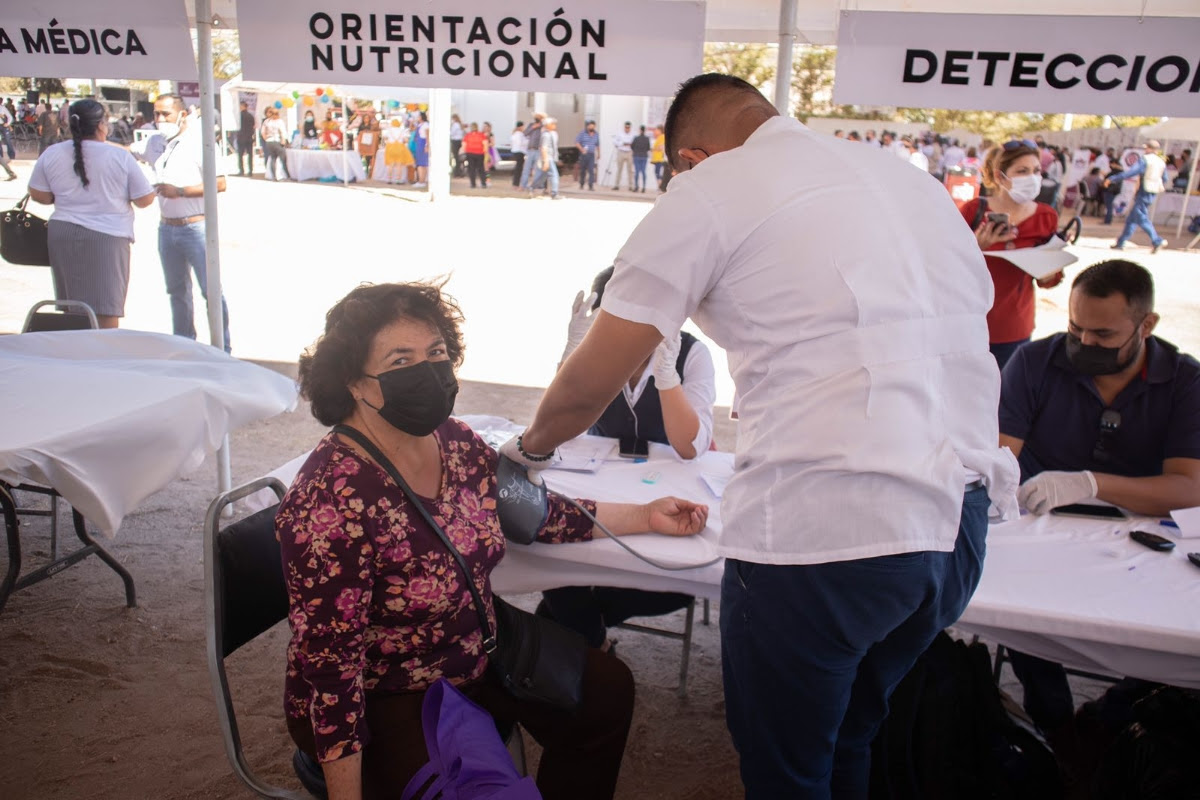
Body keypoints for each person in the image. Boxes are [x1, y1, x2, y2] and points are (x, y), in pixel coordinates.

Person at [500, 73, 1017, 799]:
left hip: (830, 530)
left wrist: (527, 453)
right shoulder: (908, 180)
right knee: (851, 736)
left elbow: (591, 377)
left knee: (788, 771)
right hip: (957, 527)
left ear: (689, 159)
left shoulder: (712, 189)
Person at [279, 281, 709, 800]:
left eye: (436, 353)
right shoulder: (329, 502)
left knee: (605, 692)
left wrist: (644, 515)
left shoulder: (452, 441)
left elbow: (534, 514)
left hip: (476, 643)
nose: (428, 371)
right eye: (400, 360)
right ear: (353, 381)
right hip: (388, 689)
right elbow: (332, 669)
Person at [997, 259, 1200, 738]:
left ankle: (1112, 714)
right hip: (1038, 530)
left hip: (1142, 540)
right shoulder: (1033, 362)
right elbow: (1000, 460)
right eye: (1075, 327)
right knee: (1022, 620)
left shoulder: (1186, 382)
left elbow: (1189, 490)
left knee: (1165, 640)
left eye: (1104, 334)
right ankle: (1055, 727)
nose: (1085, 343)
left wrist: (1089, 483)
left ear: (1146, 325)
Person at [539, 267, 717, 649]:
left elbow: (689, 447)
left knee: (673, 576)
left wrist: (667, 378)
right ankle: (586, 631)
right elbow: (556, 429)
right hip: (607, 480)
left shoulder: (691, 354)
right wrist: (572, 356)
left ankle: (581, 627)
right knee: (557, 545)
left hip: (673, 483)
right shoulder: (596, 351)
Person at [26, 99, 155, 329]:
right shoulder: (120, 156)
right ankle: (102, 359)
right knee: (106, 309)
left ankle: (76, 357)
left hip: (62, 233)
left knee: (71, 306)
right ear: (102, 125)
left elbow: (40, 195)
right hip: (107, 236)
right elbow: (144, 199)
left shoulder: (52, 153)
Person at [131, 93, 232, 352]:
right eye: (156, 114)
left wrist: (182, 190)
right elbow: (130, 152)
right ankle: (185, 344)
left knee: (210, 291)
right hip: (167, 228)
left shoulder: (200, 142)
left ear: (182, 114)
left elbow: (220, 183)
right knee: (176, 290)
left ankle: (222, 349)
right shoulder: (155, 142)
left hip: (195, 227)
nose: (160, 119)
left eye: (166, 114)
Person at [959, 140, 1064, 368]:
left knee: (1007, 395)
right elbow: (945, 265)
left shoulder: (1046, 217)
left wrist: (1048, 273)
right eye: (1022, 171)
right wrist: (975, 247)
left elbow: (1049, 278)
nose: (1033, 178)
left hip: (1015, 326)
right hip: (970, 322)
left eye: (1037, 171)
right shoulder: (973, 211)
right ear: (1000, 177)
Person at [1106, 140, 1168, 253]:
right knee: (1132, 219)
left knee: (1141, 216)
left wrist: (1113, 178)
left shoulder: (1146, 160)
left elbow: (1132, 172)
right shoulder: (1161, 162)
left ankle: (1156, 240)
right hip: (1153, 190)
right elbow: (1165, 179)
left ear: (1149, 149)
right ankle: (1121, 242)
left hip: (1144, 190)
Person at [529, 116, 560, 200]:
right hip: (547, 158)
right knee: (554, 175)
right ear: (548, 125)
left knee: (541, 176)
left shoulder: (552, 134)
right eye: (552, 123)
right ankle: (554, 193)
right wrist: (546, 160)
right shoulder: (546, 135)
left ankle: (532, 188)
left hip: (550, 158)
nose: (554, 125)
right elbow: (544, 148)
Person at [259, 107, 292, 182]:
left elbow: (262, 132)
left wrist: (266, 139)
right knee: (283, 159)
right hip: (277, 141)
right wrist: (283, 140)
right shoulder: (279, 121)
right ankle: (287, 175)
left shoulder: (267, 121)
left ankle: (274, 176)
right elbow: (283, 132)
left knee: (273, 158)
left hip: (269, 142)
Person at [380, 118, 410, 184]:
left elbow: (384, 138)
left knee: (390, 165)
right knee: (399, 165)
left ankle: (389, 179)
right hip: (400, 148)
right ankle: (398, 180)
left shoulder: (389, 130)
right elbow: (406, 140)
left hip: (390, 148)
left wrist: (388, 141)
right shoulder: (402, 130)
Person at [518, 113, 544, 190]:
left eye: (538, 117)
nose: (536, 118)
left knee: (537, 169)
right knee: (526, 168)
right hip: (530, 150)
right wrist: (533, 127)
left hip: (538, 150)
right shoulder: (531, 125)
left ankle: (535, 185)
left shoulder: (543, 127)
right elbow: (525, 133)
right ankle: (523, 185)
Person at [461, 122, 488, 189]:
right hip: (480, 153)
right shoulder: (481, 135)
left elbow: (464, 145)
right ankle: (483, 183)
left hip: (470, 153)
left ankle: (473, 184)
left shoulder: (468, 135)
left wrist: (465, 151)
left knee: (471, 169)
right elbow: (485, 144)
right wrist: (485, 152)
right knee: (481, 169)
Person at [575, 119, 599, 191]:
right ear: (587, 126)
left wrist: (599, 153)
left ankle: (591, 186)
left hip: (591, 154)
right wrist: (582, 149)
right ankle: (581, 184)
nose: (591, 127)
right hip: (584, 155)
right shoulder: (582, 133)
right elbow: (577, 142)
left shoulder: (596, 134)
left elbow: (597, 144)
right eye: (590, 126)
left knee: (591, 170)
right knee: (583, 170)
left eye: (593, 126)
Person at [611, 121, 634, 190]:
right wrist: (622, 143)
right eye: (626, 127)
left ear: (630, 128)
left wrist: (630, 144)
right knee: (619, 169)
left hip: (629, 152)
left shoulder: (633, 134)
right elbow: (614, 141)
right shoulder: (619, 134)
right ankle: (616, 185)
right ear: (624, 127)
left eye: (628, 127)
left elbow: (634, 143)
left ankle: (630, 186)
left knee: (630, 170)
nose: (627, 129)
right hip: (621, 152)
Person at [235, 101, 255, 176]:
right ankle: (250, 171)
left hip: (241, 137)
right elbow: (253, 125)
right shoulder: (250, 116)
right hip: (249, 137)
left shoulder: (238, 116)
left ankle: (241, 170)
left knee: (240, 155)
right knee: (250, 155)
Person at [630, 125, 651, 193]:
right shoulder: (647, 138)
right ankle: (644, 187)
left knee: (637, 172)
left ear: (640, 130)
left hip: (636, 156)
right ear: (644, 130)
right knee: (643, 172)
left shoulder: (636, 138)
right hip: (644, 156)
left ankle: (636, 187)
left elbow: (632, 146)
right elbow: (648, 148)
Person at [412, 111, 429, 187]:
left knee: (422, 164)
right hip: (419, 144)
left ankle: (421, 181)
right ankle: (421, 180)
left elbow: (427, 136)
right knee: (420, 163)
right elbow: (412, 129)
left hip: (422, 144)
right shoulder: (420, 125)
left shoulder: (426, 125)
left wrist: (427, 145)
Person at [509, 121, 526, 187]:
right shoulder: (520, 134)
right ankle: (516, 183)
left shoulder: (514, 134)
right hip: (520, 151)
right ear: (521, 126)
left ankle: (516, 182)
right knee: (519, 168)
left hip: (515, 151)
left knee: (518, 168)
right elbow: (521, 143)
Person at [449, 112, 464, 177]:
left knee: (456, 158)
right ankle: (459, 171)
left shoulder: (455, 125)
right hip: (459, 141)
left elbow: (452, 133)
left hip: (455, 141)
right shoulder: (460, 124)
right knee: (459, 158)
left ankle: (457, 172)